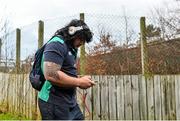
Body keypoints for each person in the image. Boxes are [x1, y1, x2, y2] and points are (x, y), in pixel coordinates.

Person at [38, 19, 95, 120]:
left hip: (69, 101)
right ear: (72, 32)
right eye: (81, 39)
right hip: (53, 102)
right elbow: (51, 74)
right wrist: (79, 82)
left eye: (84, 41)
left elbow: (65, 72)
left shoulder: (71, 48)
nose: (82, 43)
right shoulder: (56, 44)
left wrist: (80, 79)